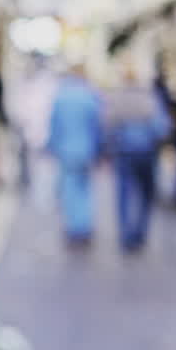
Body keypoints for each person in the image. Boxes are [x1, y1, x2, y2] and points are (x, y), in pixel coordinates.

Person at [105, 69, 171, 250]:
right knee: (146, 194)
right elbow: (161, 127)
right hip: (147, 152)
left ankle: (125, 234)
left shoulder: (117, 98)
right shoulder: (149, 98)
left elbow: (107, 124)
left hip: (124, 152)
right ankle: (140, 232)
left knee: (124, 195)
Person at [47, 65, 104, 244]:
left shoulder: (61, 97)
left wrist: (52, 146)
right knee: (84, 188)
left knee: (70, 189)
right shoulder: (91, 96)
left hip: (66, 150)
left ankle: (74, 227)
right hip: (86, 150)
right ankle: (84, 225)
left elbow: (54, 126)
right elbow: (98, 126)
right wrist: (99, 148)